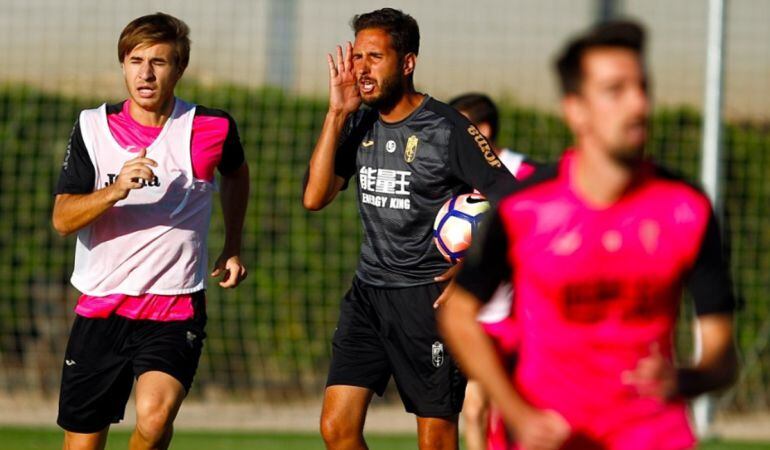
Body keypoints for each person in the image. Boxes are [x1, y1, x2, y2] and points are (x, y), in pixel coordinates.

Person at [439, 20, 738, 450]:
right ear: (575, 109)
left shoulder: (687, 208)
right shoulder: (525, 209)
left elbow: (723, 358)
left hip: (652, 433)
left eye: (643, 87)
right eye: (615, 90)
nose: (638, 105)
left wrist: (691, 376)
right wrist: (517, 411)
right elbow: (457, 314)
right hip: (551, 434)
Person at [302, 8, 519, 450]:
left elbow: (517, 205)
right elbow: (315, 197)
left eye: (374, 57)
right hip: (368, 295)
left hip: (428, 300)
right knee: (336, 429)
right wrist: (335, 114)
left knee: (435, 439)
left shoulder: (447, 128)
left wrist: (472, 273)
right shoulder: (359, 119)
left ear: (407, 62)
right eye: (357, 56)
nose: (361, 68)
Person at [52, 12, 249, 450]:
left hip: (174, 307)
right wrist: (115, 189)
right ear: (123, 64)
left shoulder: (211, 127)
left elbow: (236, 173)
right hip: (102, 307)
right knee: (82, 444)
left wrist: (232, 245)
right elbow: (63, 219)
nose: (145, 72)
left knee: (156, 418)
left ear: (179, 69)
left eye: (158, 62)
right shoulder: (91, 128)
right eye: (135, 60)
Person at [448, 93, 533, 450]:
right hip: (470, 316)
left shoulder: (524, 174)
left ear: (481, 130)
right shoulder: (452, 174)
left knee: (514, 416)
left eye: (458, 127)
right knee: (474, 408)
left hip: (515, 318)